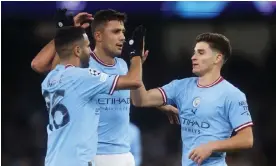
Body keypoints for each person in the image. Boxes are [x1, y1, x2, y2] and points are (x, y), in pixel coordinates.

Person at [31, 9, 178, 166]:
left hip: (123, 153)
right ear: (98, 36)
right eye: (115, 31)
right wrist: (67, 33)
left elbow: (134, 97)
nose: (122, 37)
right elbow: (43, 65)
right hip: (95, 154)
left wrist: (157, 104)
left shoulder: (122, 65)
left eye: (123, 32)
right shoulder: (81, 67)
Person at [131, 32, 254, 166]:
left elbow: (247, 139)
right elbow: (141, 100)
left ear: (217, 58)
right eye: (194, 53)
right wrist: (136, 64)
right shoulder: (181, 86)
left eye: (200, 53)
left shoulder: (232, 95)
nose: (193, 57)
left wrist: (211, 146)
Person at [41, 26, 144, 166]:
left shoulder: (50, 78)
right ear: (77, 50)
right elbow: (134, 81)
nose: (90, 51)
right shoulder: (83, 77)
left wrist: (66, 29)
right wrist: (135, 54)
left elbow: (42, 62)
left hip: (53, 160)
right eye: (88, 46)